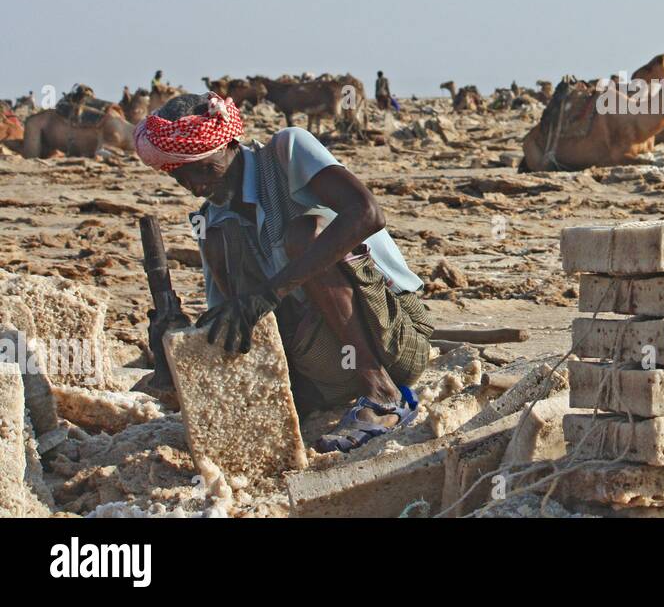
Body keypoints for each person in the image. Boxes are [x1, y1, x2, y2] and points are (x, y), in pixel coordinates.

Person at [134, 91, 438, 453]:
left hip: (390, 337)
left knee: (305, 234)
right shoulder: (211, 220)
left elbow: (367, 213)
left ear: (229, 145)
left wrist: (270, 292)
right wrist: (174, 341)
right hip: (319, 369)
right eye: (183, 178)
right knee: (220, 245)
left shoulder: (286, 151)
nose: (197, 185)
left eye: (204, 169)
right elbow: (230, 321)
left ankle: (383, 395)